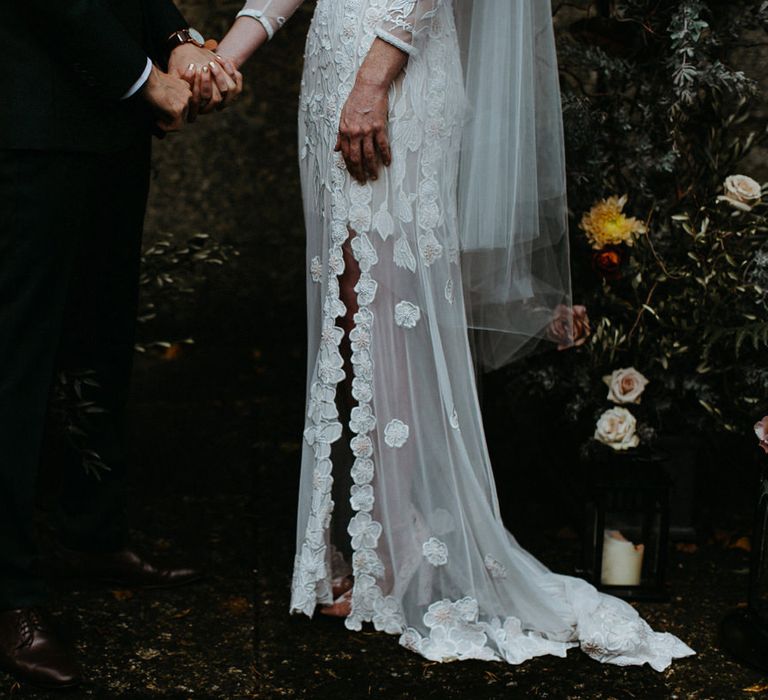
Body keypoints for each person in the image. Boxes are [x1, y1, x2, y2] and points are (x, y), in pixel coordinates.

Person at [210, 0, 695, 670]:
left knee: (390, 313)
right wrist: (228, 53)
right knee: (356, 316)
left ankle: (407, 552)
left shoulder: (381, 78)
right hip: (334, 67)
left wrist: (375, 80)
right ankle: (386, 535)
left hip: (392, 69)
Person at [0, 0, 243, 689]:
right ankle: (10, 591)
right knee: (16, 360)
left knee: (98, 333)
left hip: (106, 122)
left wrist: (174, 39)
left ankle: (92, 532)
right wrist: (145, 78)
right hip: (28, 117)